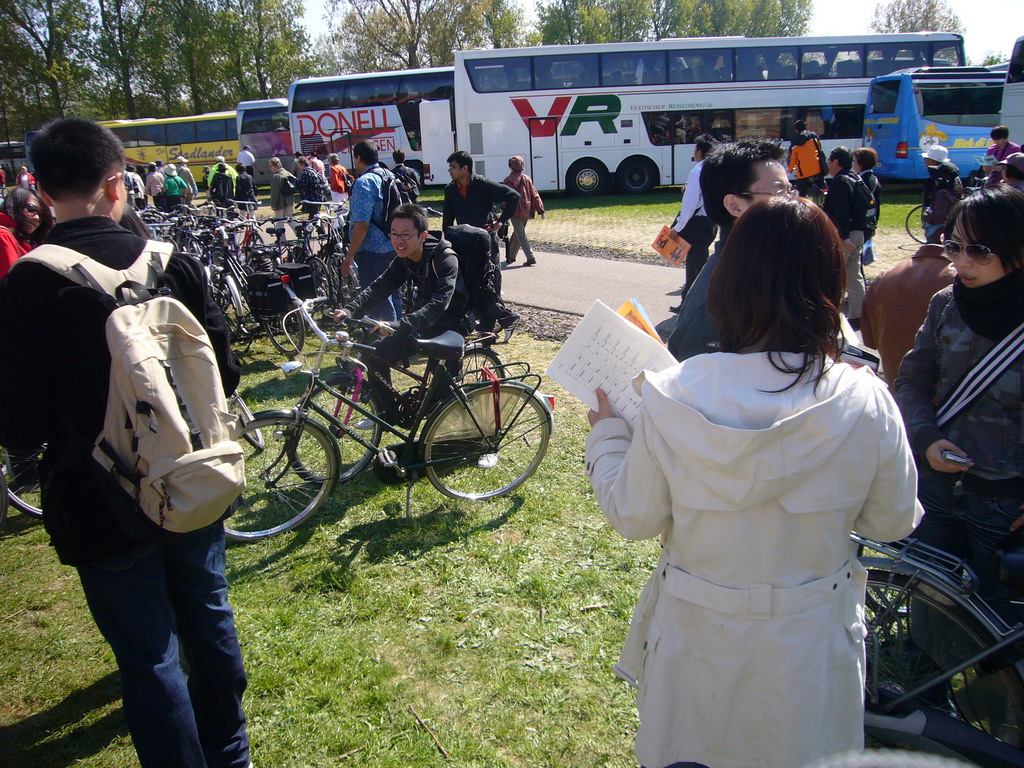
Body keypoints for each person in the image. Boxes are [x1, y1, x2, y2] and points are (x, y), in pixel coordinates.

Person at [586, 194, 922, 768]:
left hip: (698, 634)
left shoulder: (675, 391)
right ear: (830, 281)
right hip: (811, 638)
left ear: (731, 279)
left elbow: (634, 518)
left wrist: (609, 436)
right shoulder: (865, 397)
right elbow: (891, 521)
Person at [0, 116, 250, 768]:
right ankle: (231, 754)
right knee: (208, 618)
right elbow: (225, 375)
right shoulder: (174, 266)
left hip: (99, 502)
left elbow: (19, 428)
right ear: (117, 183)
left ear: (40, 186)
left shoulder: (25, 286)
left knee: (149, 658)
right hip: (191, 479)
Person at [895, 185, 1024, 624]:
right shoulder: (946, 304)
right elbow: (911, 379)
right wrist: (927, 438)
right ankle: (919, 694)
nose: (962, 262)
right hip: (937, 491)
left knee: (1000, 633)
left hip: (1006, 505)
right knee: (929, 614)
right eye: (955, 246)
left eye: (980, 251)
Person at [332, 202, 470, 423]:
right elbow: (380, 287)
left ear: (422, 236)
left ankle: (468, 440)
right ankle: (388, 415)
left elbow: (439, 304)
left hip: (450, 328)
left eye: (405, 235)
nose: (398, 241)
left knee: (443, 403)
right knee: (374, 358)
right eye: (394, 234)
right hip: (421, 324)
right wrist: (350, 309)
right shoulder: (404, 259)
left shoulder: (446, 259)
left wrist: (400, 324)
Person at [666, 138, 788, 362]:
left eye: (791, 191)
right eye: (778, 193)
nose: (792, 202)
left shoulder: (785, 263)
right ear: (734, 205)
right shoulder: (714, 299)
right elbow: (693, 383)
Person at [861, 242, 954, 388]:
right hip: (942, 398)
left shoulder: (887, 275)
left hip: (895, 388)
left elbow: (869, 340)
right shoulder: (961, 283)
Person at [442, 150, 519, 297]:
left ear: (465, 168)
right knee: (467, 273)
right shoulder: (450, 189)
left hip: (486, 237)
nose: (449, 170)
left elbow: (514, 196)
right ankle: (473, 308)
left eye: (453, 167)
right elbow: (447, 220)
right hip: (464, 239)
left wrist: (500, 222)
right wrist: (446, 241)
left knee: (492, 269)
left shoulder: (483, 184)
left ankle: (496, 305)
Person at [340, 141, 402, 321]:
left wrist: (350, 255)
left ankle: (386, 341)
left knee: (378, 298)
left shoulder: (364, 182)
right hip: (392, 243)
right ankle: (400, 335)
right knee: (394, 292)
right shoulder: (388, 175)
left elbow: (362, 224)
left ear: (358, 158)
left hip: (372, 248)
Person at [823, 145, 868, 329]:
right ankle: (859, 314)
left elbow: (841, 211)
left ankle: (829, 315)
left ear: (836, 162)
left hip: (845, 235)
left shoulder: (839, 182)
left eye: (829, 160)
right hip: (859, 232)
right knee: (853, 274)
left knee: (832, 273)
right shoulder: (856, 178)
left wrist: (844, 235)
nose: (827, 164)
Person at [670, 134, 717, 310]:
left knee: (699, 268)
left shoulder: (697, 171)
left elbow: (689, 204)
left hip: (696, 224)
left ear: (700, 151)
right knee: (694, 262)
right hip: (711, 223)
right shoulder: (716, 169)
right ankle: (686, 303)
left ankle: (705, 307)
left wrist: (677, 227)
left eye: (695, 149)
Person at [0, 186, 53, 278]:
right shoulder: (3, 235)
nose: (37, 218)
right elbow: (11, 283)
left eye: (41, 214)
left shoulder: (20, 238)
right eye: (31, 209)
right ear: (15, 205)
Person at [501, 155, 544, 267]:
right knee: (517, 233)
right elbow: (535, 195)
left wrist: (504, 209)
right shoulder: (527, 179)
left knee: (520, 233)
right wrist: (540, 210)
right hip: (527, 209)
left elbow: (506, 196)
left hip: (514, 210)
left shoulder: (508, 180)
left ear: (511, 166)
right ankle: (511, 256)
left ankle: (530, 256)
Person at [922, 147, 962, 245]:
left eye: (926, 160)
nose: (925, 163)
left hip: (938, 229)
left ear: (931, 161)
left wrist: (926, 215)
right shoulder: (953, 179)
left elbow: (938, 217)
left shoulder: (942, 190)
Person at [854, 146, 881, 265]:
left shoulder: (861, 181)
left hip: (861, 224)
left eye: (854, 161)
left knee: (858, 260)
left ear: (861, 163)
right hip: (870, 222)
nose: (853, 164)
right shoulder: (874, 179)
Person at [787, 118, 825, 197]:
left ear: (796, 130)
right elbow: (819, 150)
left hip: (803, 172)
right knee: (822, 185)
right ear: (805, 128)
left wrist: (790, 170)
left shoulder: (794, 144)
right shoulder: (814, 137)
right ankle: (825, 194)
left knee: (801, 192)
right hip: (817, 168)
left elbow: (792, 160)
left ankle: (802, 201)